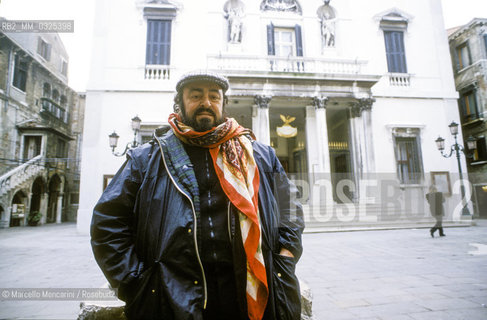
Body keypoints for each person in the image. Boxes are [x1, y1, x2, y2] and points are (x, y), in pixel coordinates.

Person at [91, 71, 304, 320]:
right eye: (196, 95)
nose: (206, 102)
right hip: (173, 298)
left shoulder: (259, 156)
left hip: (245, 294)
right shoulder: (146, 159)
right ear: (179, 103)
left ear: (223, 104)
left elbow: (290, 207)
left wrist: (285, 257)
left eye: (214, 96)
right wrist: (137, 281)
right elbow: (108, 223)